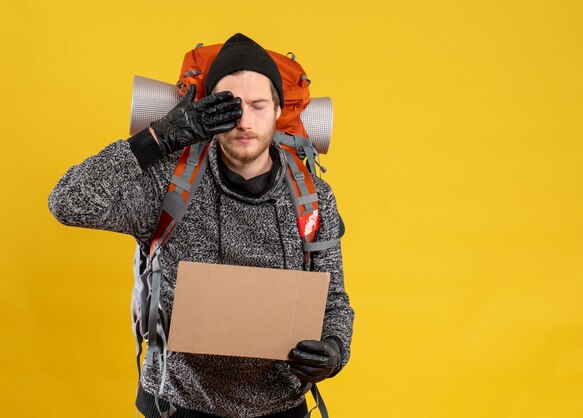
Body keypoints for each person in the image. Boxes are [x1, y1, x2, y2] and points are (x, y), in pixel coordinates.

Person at [48, 33, 354, 418]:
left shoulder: (312, 197)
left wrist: (334, 350)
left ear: (278, 111)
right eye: (229, 107)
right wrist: (157, 138)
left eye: (259, 106)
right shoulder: (170, 183)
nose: (244, 121)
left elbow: (335, 303)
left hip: (281, 406)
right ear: (208, 109)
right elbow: (67, 202)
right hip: (178, 403)